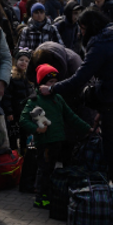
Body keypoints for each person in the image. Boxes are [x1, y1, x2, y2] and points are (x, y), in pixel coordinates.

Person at [43, 8, 113, 221]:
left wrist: (52, 89)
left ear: (91, 28)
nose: (80, 33)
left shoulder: (100, 45)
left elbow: (80, 78)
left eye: (83, 28)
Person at [20, 65, 91, 207]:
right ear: (41, 83)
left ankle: (47, 193)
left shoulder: (58, 98)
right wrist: (37, 129)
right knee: (44, 170)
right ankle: (40, 197)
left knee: (50, 169)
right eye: (49, 82)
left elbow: (71, 116)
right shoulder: (35, 100)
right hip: (44, 142)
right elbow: (23, 120)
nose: (53, 85)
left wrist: (87, 129)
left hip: (57, 141)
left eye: (55, 82)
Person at [7, 50, 35, 153]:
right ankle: (14, 153)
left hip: (26, 112)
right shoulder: (12, 78)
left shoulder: (29, 78)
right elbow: (8, 96)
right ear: (16, 61)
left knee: (25, 133)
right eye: (21, 60)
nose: (24, 62)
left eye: (27, 61)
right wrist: (9, 111)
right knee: (13, 134)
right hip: (15, 112)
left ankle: (24, 153)